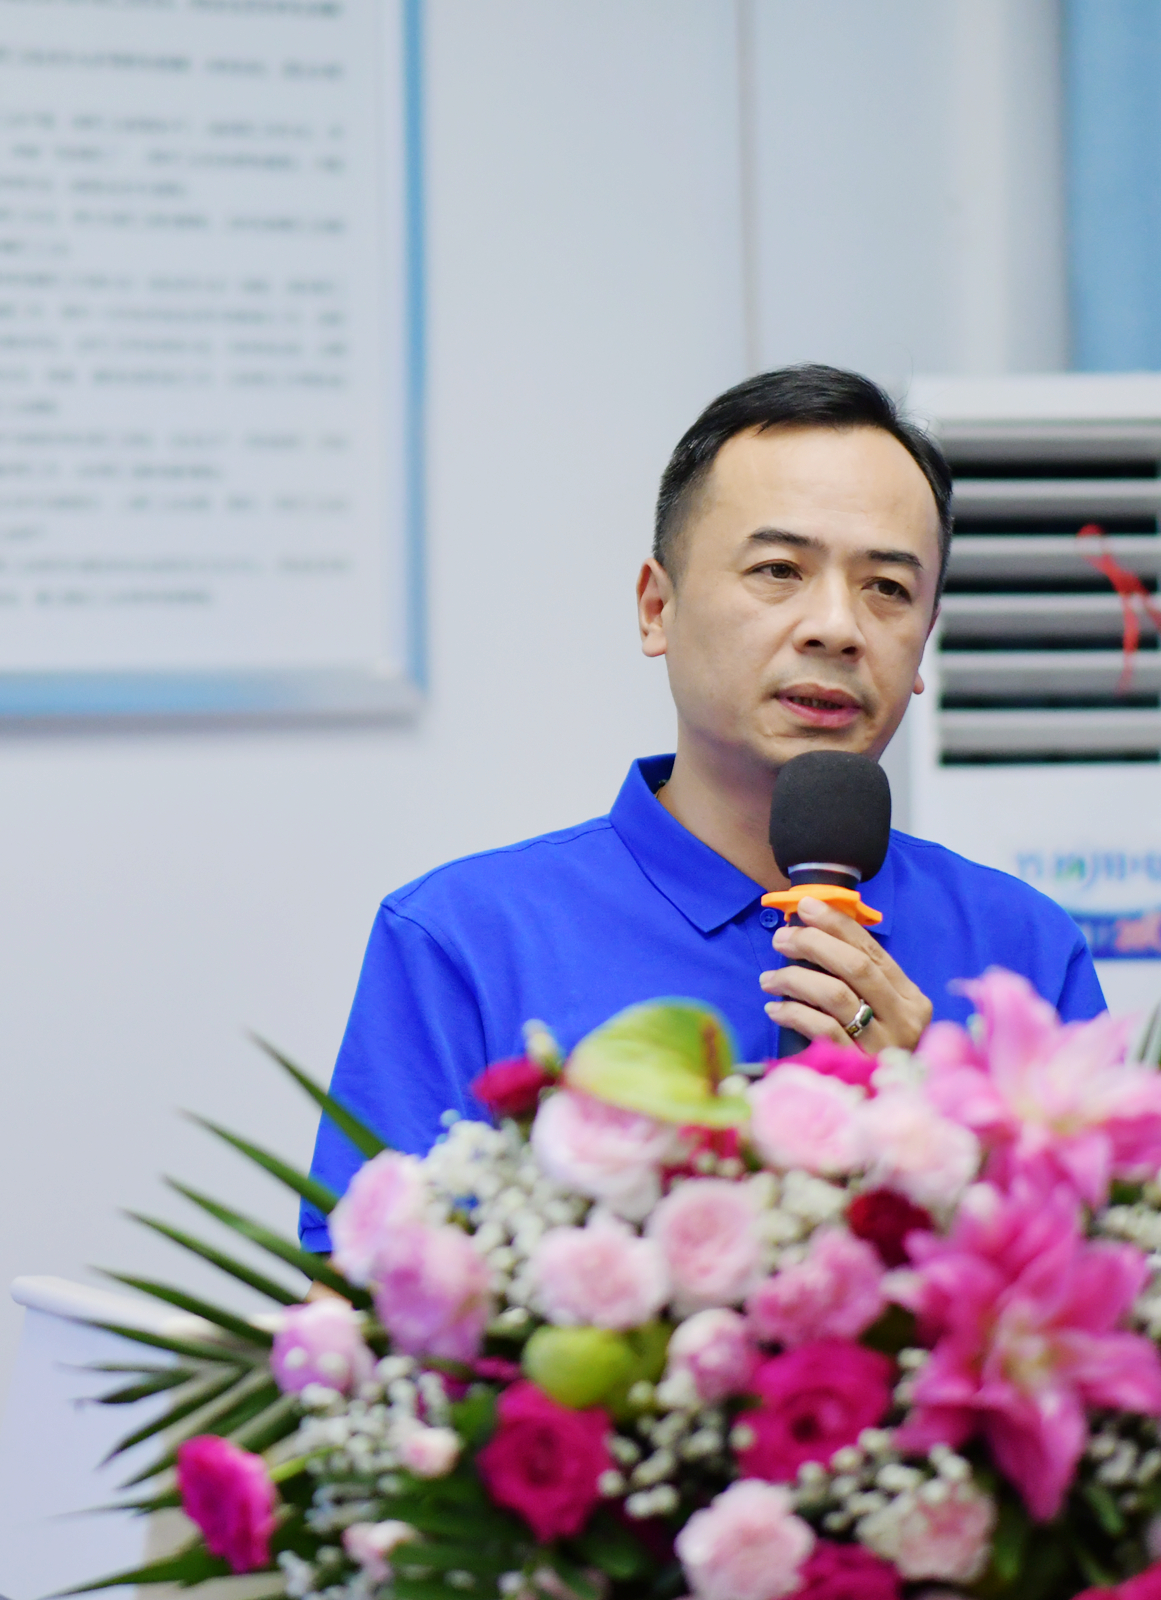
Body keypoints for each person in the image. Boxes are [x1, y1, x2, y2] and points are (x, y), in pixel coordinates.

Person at [301, 365, 1102, 1250]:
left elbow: (1108, 1281)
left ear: (923, 646)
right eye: (779, 570)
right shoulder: (464, 941)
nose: (837, 627)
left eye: (887, 588)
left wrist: (936, 1133)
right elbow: (371, 1302)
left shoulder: (1024, 952)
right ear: (658, 608)